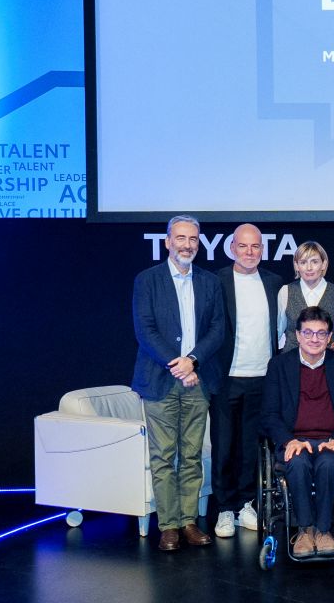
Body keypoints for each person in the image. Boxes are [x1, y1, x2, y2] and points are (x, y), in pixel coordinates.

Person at [131, 215, 226, 551]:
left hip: (198, 380)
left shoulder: (210, 282)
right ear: (168, 242)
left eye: (193, 239)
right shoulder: (147, 280)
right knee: (163, 456)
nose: (187, 245)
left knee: (191, 455)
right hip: (160, 380)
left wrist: (193, 361)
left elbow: (218, 329)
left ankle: (188, 522)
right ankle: (168, 526)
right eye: (181, 238)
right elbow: (145, 331)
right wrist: (179, 365)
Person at [260, 307, 334, 558]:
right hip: (295, 440)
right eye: (308, 332)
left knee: (328, 464)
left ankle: (324, 531)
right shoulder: (279, 365)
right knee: (297, 463)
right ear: (297, 335)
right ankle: (305, 530)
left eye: (321, 333)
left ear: (329, 337)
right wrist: (288, 440)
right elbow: (269, 413)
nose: (314, 339)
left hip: (330, 440)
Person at [213, 224, 285, 538]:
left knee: (249, 448)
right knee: (224, 447)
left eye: (255, 246)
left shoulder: (273, 282)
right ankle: (224, 509)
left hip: (262, 377)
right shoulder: (216, 281)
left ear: (262, 250)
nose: (250, 252)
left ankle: (245, 505)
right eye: (243, 246)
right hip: (226, 377)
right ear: (232, 248)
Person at [278, 241, 334, 352]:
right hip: (291, 358)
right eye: (303, 262)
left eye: (314, 262)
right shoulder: (286, 291)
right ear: (296, 266)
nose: (309, 268)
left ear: (323, 264)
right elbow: (277, 332)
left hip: (327, 360)